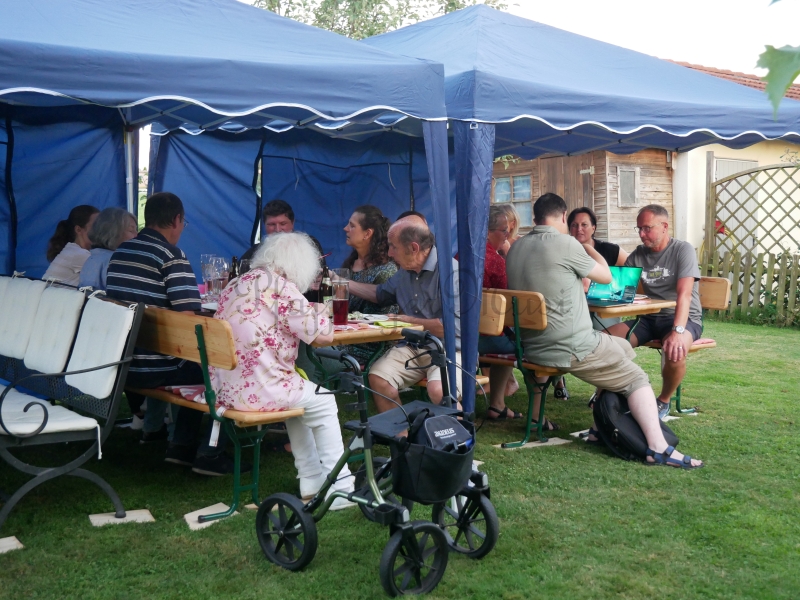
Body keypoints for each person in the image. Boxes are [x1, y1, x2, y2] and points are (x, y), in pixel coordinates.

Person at [506, 193, 703, 468]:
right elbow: (606, 276)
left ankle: (600, 425)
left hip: (531, 348)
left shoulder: (516, 247)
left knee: (621, 349)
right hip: (570, 347)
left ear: (535, 217)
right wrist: (587, 247)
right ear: (563, 216)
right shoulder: (566, 244)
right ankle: (658, 448)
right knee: (636, 378)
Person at [210, 232, 354, 509]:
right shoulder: (282, 288)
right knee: (324, 400)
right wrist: (320, 312)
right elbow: (322, 336)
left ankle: (311, 479)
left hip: (226, 388)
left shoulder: (239, 283)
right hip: (260, 389)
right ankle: (342, 487)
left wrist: (307, 310)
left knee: (302, 401)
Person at [107, 192, 243, 476]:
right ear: (177, 220)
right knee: (224, 370)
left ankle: (181, 447)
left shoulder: (121, 252)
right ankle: (210, 453)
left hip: (125, 360)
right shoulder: (171, 257)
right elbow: (189, 323)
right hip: (156, 366)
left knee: (200, 365)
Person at [347, 216, 462, 412]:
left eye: (393, 247)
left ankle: (459, 432)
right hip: (413, 347)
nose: (389, 253)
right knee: (378, 378)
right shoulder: (405, 270)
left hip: (450, 349)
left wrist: (408, 322)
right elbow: (380, 294)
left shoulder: (451, 272)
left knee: (439, 390)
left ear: (414, 248)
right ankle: (402, 430)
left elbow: (452, 328)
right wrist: (341, 282)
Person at [605, 204, 704, 420]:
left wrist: (678, 331)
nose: (642, 234)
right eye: (639, 229)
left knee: (675, 350)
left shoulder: (682, 250)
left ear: (664, 226)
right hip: (648, 319)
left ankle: (663, 401)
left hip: (683, 319)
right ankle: (610, 394)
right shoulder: (638, 255)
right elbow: (618, 288)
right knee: (603, 342)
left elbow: (685, 295)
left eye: (647, 228)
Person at [473, 206, 523, 420]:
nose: (507, 235)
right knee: (521, 342)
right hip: (486, 338)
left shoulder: (460, 254)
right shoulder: (494, 261)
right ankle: (498, 403)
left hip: (462, 334)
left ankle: (497, 404)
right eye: (504, 231)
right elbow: (507, 302)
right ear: (488, 232)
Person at [337, 205, 398, 364]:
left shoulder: (386, 270)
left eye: (352, 225)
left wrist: (340, 283)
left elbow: (378, 323)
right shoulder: (349, 264)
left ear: (367, 233)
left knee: (310, 350)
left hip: (369, 349)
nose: (345, 228)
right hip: (342, 338)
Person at [240, 199, 326, 303]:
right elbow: (240, 276)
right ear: (264, 225)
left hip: (305, 304)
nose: (277, 229)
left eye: (283, 223)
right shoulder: (257, 251)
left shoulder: (308, 245)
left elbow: (321, 276)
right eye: (271, 224)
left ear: (292, 223)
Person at [568, 207, 630, 335]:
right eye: (574, 225)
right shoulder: (565, 251)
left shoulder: (609, 250)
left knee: (604, 334)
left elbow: (631, 270)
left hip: (604, 307)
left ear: (593, 228)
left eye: (584, 225)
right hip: (573, 308)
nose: (579, 229)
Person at [78, 207, 138, 291]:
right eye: (131, 230)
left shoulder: (93, 257)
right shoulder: (114, 261)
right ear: (113, 232)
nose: (136, 235)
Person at [43, 205, 100, 286]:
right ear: (78, 230)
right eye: (95, 226)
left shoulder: (73, 250)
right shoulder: (79, 254)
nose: (101, 230)